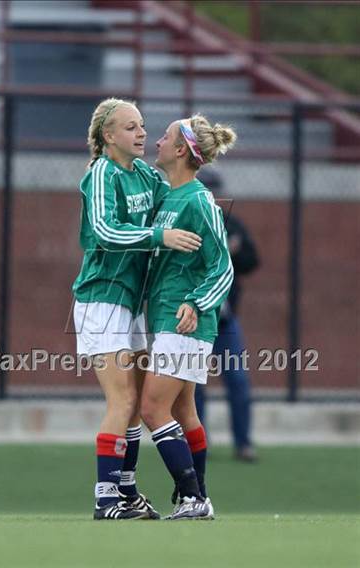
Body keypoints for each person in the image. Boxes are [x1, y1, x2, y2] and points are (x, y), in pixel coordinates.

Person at [72, 98, 203, 520]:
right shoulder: (100, 174)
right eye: (130, 127)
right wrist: (159, 236)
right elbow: (105, 231)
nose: (142, 133)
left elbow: (179, 199)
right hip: (101, 298)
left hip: (132, 302)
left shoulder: (146, 173)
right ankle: (106, 498)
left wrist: (205, 214)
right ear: (108, 136)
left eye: (143, 125)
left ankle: (126, 494)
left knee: (139, 400)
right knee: (124, 399)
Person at [140, 114, 236, 520]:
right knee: (183, 412)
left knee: (151, 409)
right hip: (166, 318)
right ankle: (197, 499)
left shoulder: (198, 200)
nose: (156, 140)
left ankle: (194, 497)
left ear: (181, 150)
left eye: (165, 136)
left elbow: (223, 267)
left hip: (186, 321)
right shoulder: (168, 195)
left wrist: (196, 303)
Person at [194, 169, 260, 462]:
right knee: (193, 386)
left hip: (224, 320)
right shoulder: (189, 224)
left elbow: (252, 261)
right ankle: (198, 444)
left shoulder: (232, 225)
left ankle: (243, 442)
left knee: (237, 380)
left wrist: (233, 252)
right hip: (193, 319)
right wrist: (221, 250)